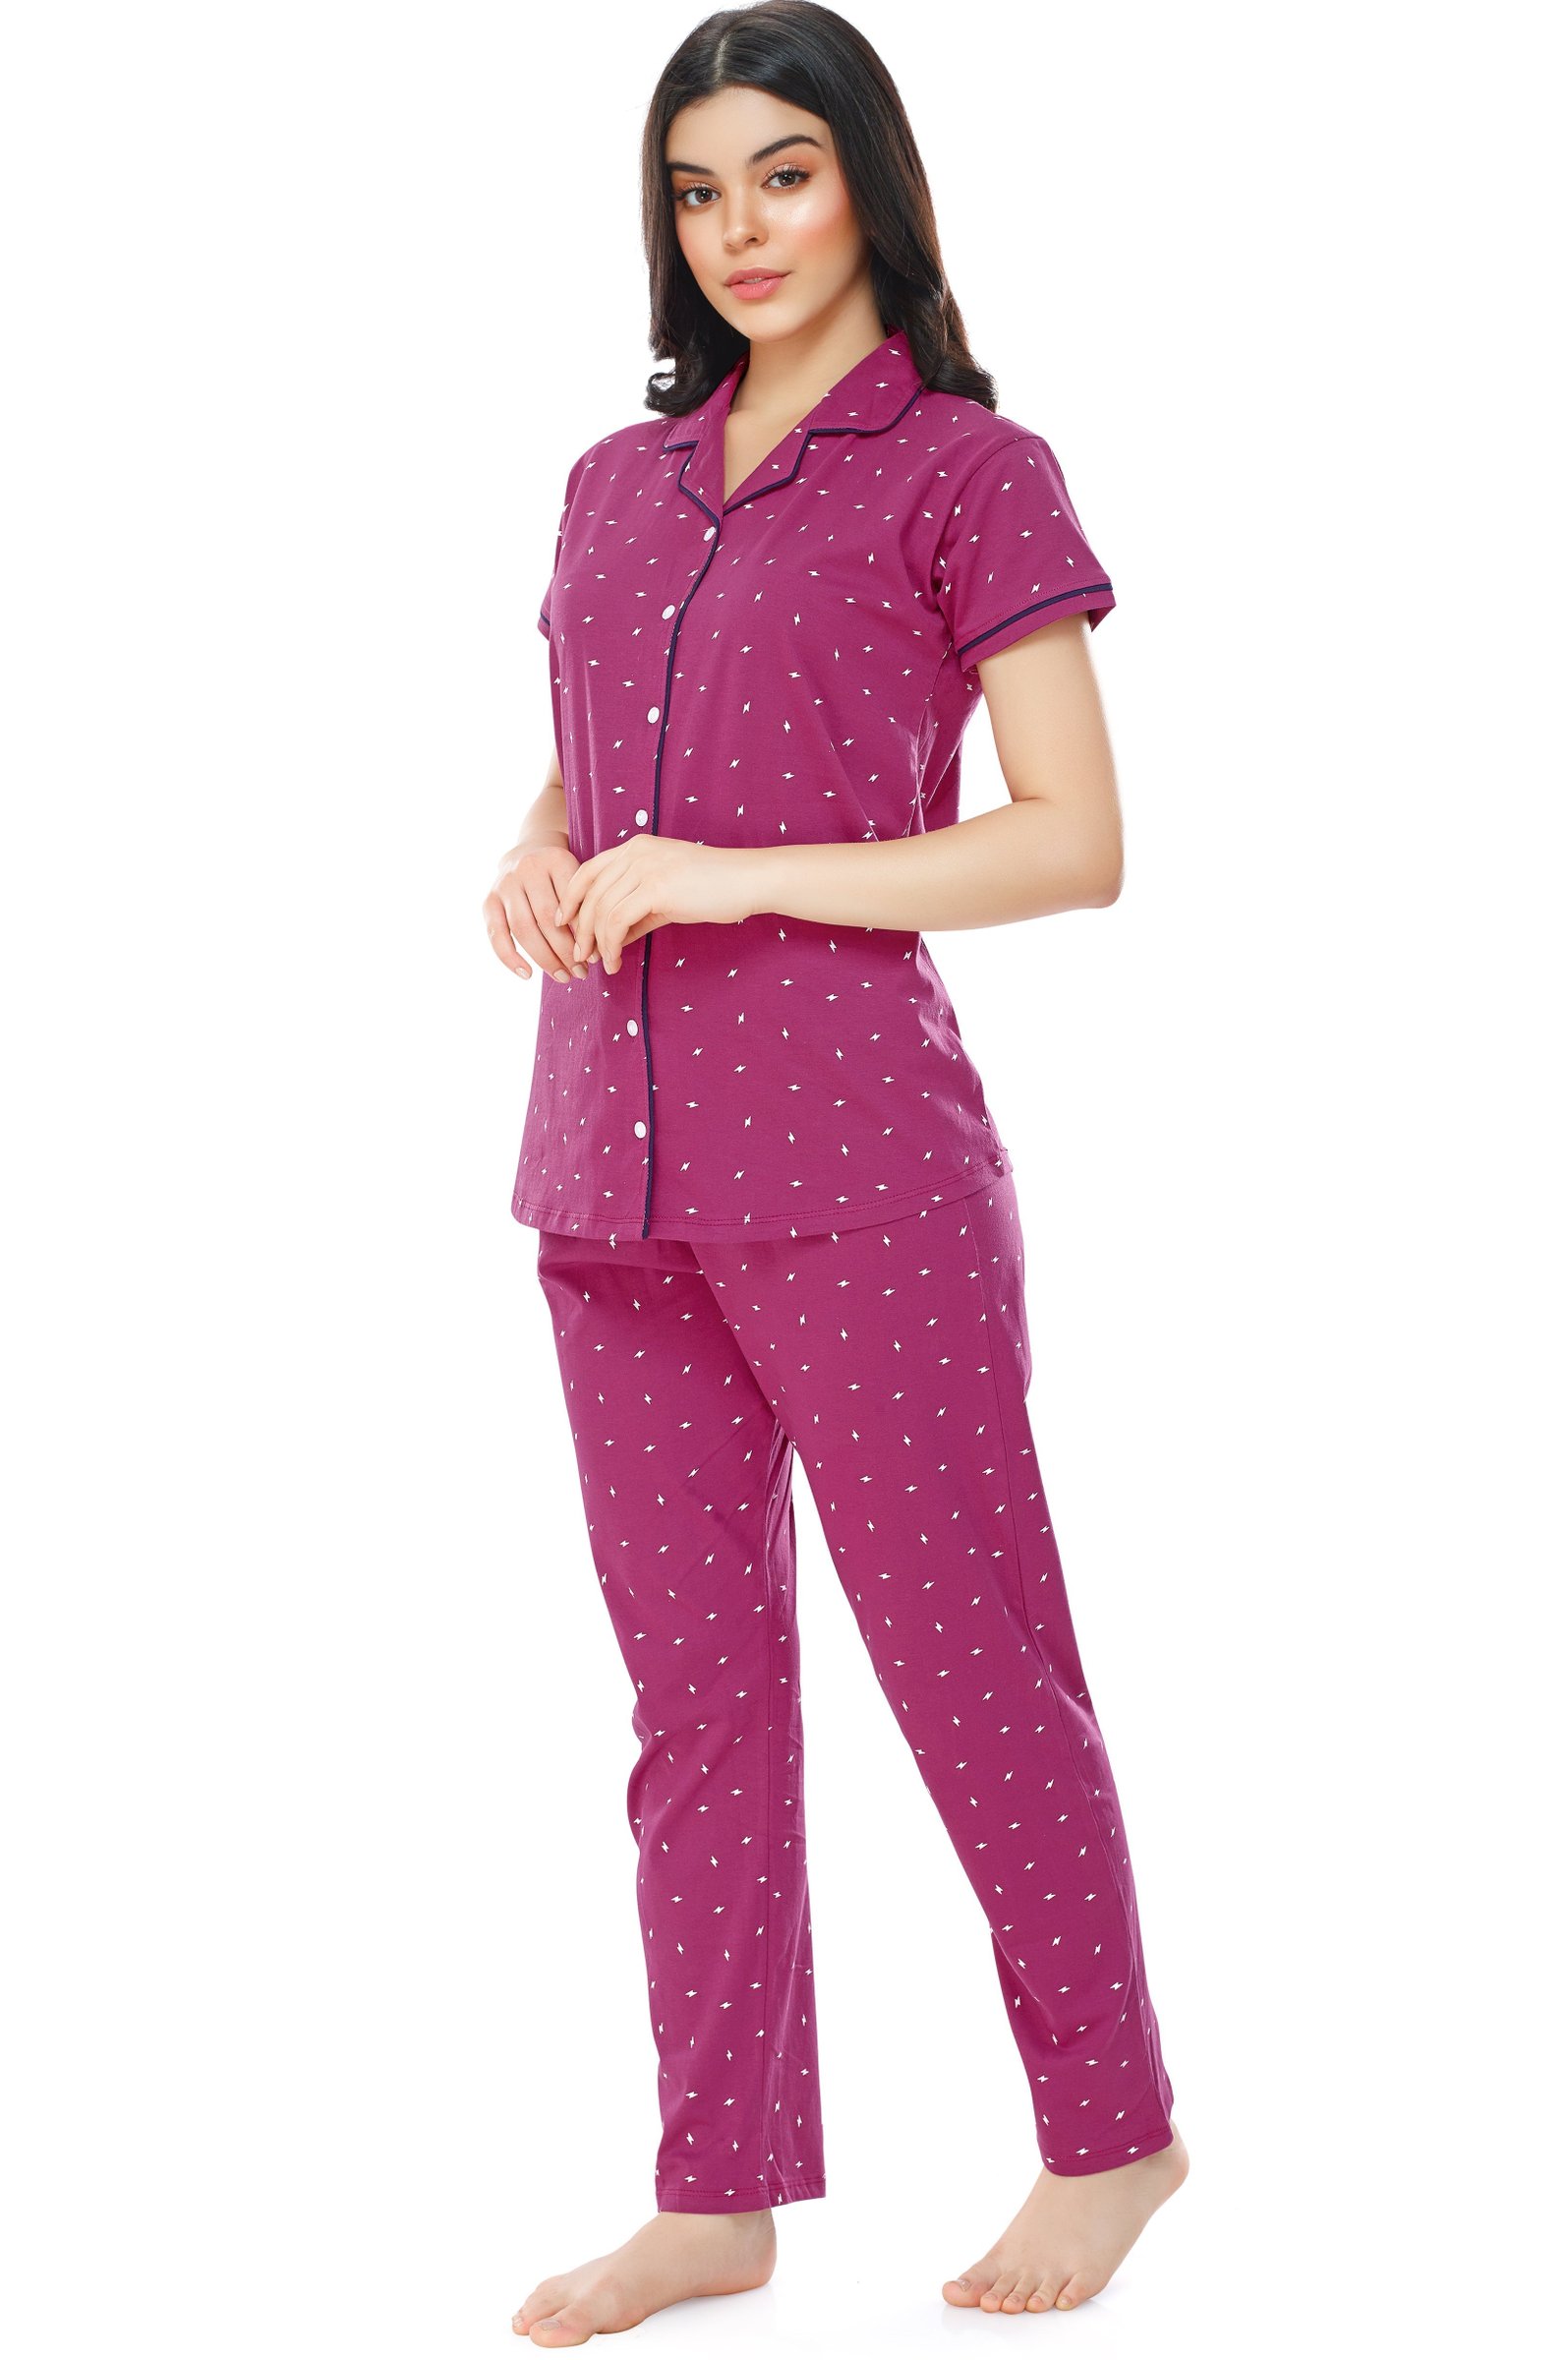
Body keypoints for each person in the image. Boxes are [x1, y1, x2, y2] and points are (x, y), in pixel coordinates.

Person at [482, 5, 1190, 2341]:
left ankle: (1111, 2131)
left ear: (866, 182)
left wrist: (736, 874)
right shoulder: (614, 480)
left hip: (855, 1165)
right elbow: (592, 771)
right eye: (697, 190)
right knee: (692, 1706)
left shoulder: (964, 471)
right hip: (606, 1168)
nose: (740, 229)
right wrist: (538, 857)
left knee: (970, 1664)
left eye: (780, 174)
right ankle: (716, 2195)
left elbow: (1070, 841)